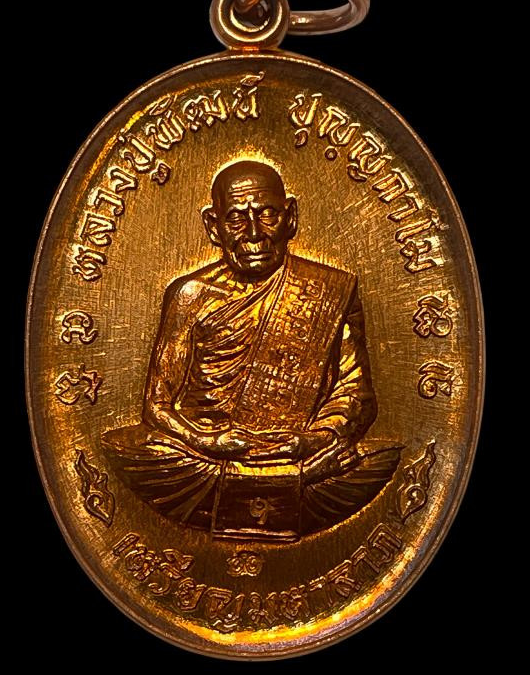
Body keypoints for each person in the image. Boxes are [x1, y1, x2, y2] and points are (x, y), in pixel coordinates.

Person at [103, 159, 400, 540]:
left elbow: (355, 393)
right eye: (236, 218)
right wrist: (207, 442)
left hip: (294, 446)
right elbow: (156, 407)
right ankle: (300, 478)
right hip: (204, 454)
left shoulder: (329, 289)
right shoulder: (190, 295)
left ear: (291, 217)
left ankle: (291, 471)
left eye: (267, 214)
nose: (254, 233)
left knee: (374, 457)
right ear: (214, 226)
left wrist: (316, 439)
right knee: (140, 450)